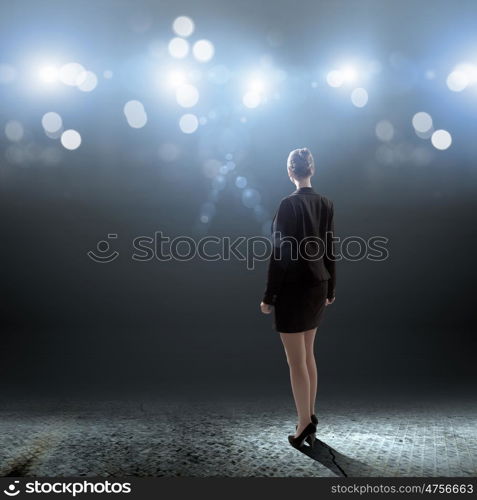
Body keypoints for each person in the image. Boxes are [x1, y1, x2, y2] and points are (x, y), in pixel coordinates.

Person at [260, 147, 336, 449]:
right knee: (308, 355)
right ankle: (308, 418)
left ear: (290, 171)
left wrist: (269, 295)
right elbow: (331, 249)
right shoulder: (326, 203)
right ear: (311, 170)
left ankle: (304, 423)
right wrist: (331, 288)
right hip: (318, 286)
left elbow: (280, 254)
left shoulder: (287, 205)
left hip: (293, 289)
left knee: (296, 362)